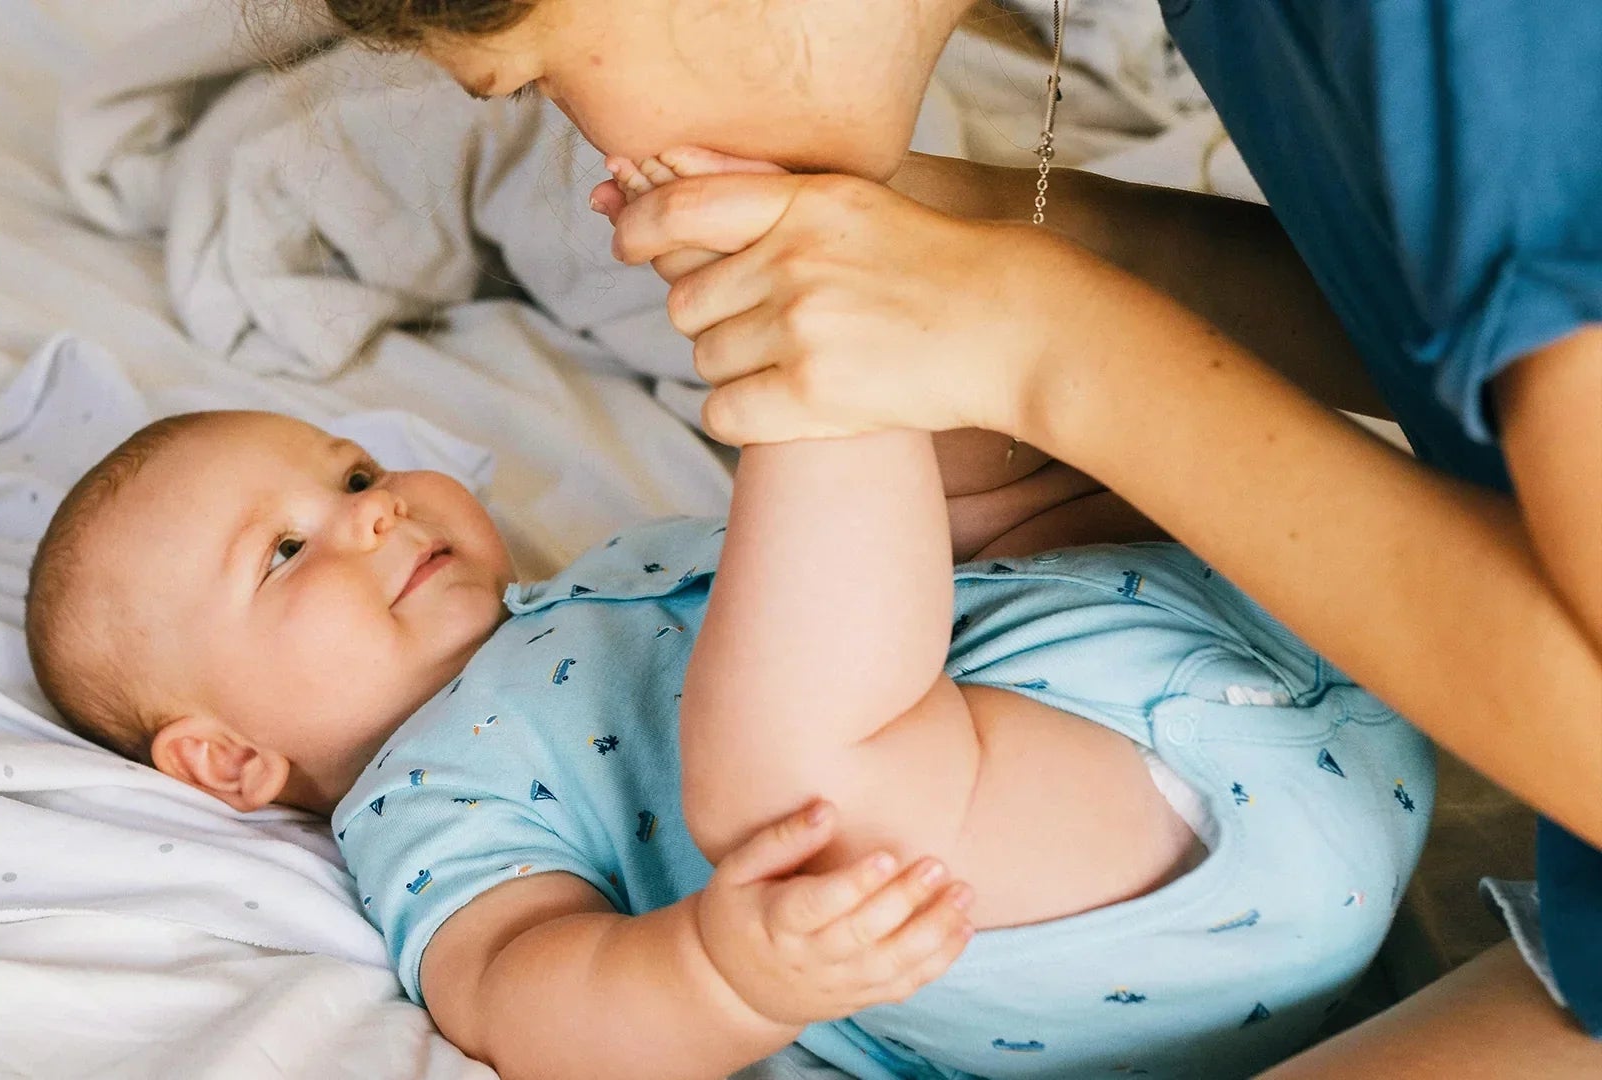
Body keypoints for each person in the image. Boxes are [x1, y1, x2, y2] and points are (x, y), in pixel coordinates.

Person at [284, 0, 1602, 1073]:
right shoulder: (422, 807)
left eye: (539, 81)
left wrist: (1043, 346)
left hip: (1370, 745)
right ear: (220, 756)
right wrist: (1012, 255)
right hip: (1250, 765)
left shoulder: (1453, 31)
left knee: (801, 803)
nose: (595, 138)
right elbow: (1451, 315)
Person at [23, 408, 1429, 1079]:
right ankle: (835, 374)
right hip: (1112, 883)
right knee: (804, 777)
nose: (373, 513)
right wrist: (720, 971)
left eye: (354, 472)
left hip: (1267, 650)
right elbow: (519, 991)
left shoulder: (611, 566)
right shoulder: (420, 797)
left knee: (938, 458)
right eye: (285, 550)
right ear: (226, 762)